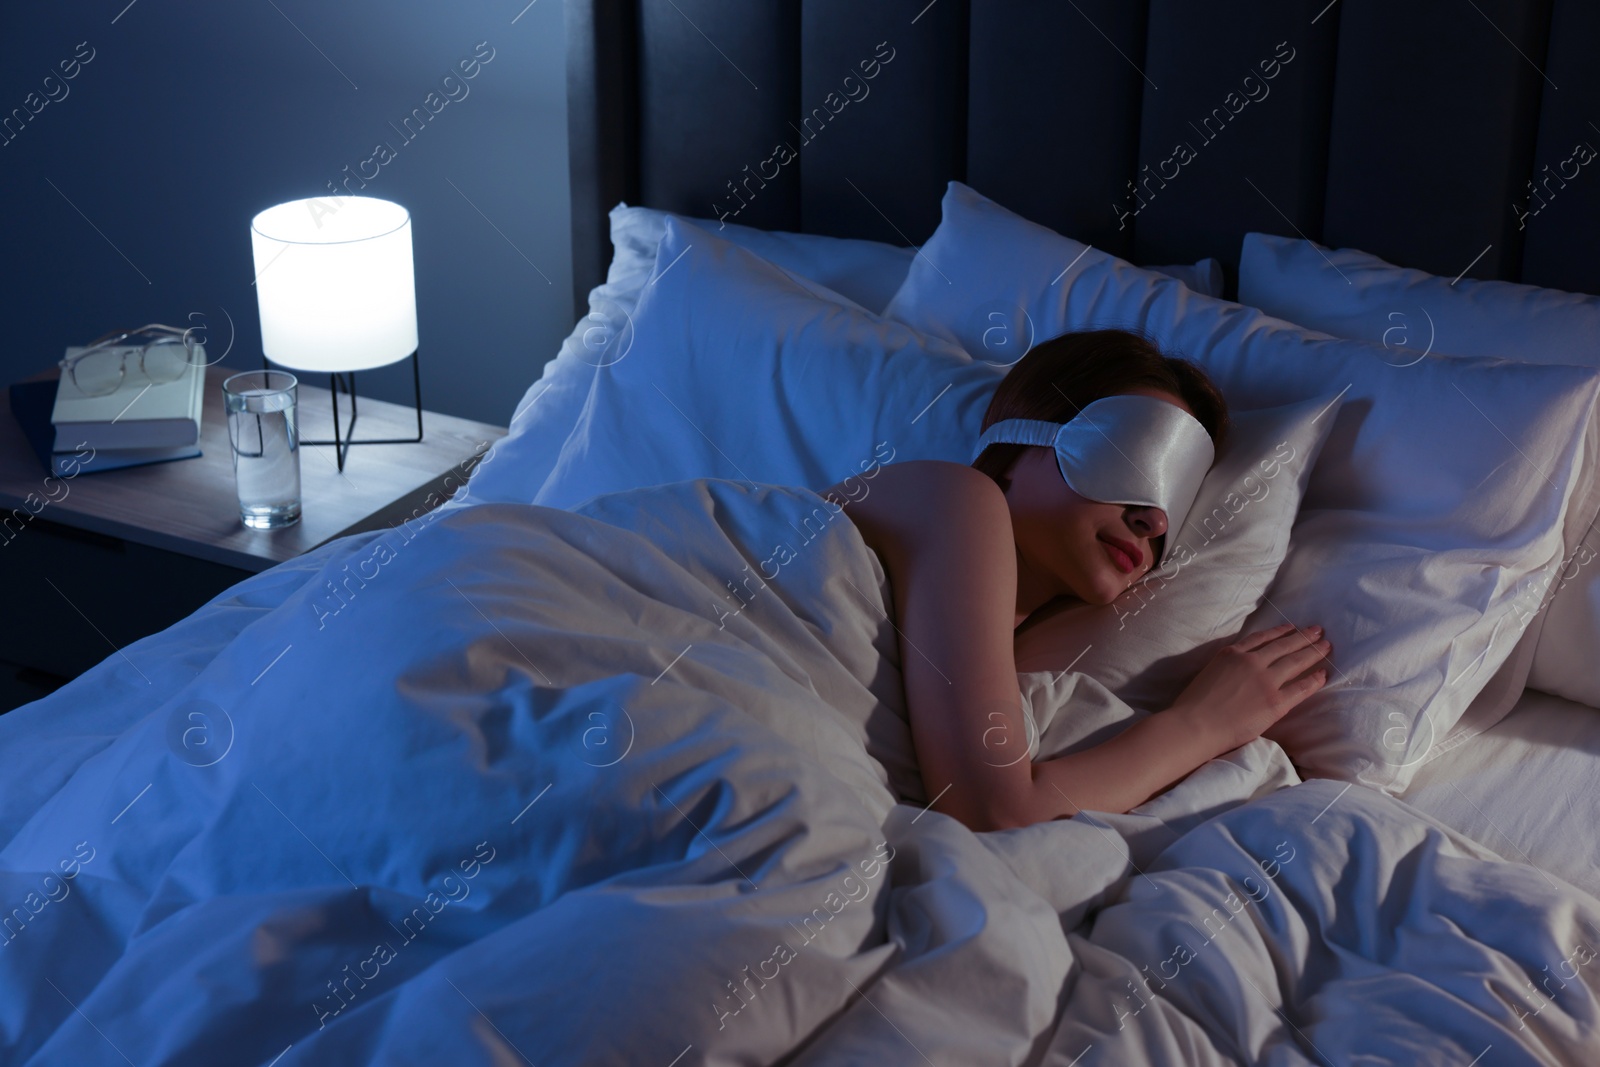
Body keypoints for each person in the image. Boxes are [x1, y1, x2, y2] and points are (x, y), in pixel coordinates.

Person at [828, 328, 1333, 832]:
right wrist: (1203, 723)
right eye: (1133, 459)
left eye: (1175, 502)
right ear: (1020, 440)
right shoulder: (956, 499)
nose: (1154, 522)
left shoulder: (1003, 661)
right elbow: (997, 813)